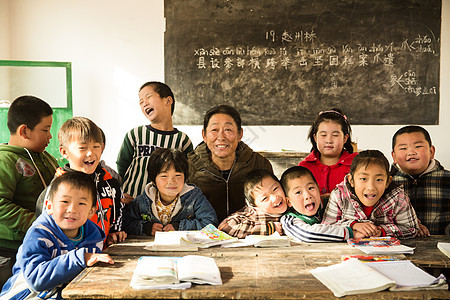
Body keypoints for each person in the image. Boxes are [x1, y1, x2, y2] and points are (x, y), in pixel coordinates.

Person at [0, 171, 114, 299]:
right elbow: (36, 279)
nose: (72, 209)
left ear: (92, 211)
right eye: (65, 201)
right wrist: (80, 258)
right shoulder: (39, 234)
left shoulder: (93, 234)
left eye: (81, 203)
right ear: (49, 206)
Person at [36, 117, 127, 247]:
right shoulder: (57, 188)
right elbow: (44, 228)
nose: (90, 153)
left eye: (96, 146)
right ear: (64, 152)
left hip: (103, 255)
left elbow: (119, 209)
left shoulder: (109, 182)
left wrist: (115, 231)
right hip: (68, 259)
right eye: (82, 148)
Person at [0, 95, 58, 287]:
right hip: (10, 252)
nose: (50, 136)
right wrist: (38, 222)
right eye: (46, 130)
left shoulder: (46, 157)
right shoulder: (5, 161)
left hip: (42, 244)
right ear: (24, 131)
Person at [188, 105, 273, 222]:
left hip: (248, 234)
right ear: (204, 135)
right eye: (214, 130)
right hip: (202, 236)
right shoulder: (190, 166)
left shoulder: (259, 164)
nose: (221, 137)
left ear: (240, 134)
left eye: (228, 130)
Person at [116, 81, 193, 202]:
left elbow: (187, 175)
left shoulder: (183, 140)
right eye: (141, 101)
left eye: (149, 97)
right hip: (131, 202)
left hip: (164, 209)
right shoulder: (135, 134)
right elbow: (122, 166)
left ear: (168, 101)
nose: (144, 103)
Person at [322, 150, 419, 239]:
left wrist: (382, 231)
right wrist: (353, 225)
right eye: (363, 179)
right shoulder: (339, 195)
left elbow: (411, 229)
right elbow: (325, 228)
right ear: (351, 180)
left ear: (387, 182)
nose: (371, 187)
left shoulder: (399, 198)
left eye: (379, 180)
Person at [122, 148, 217, 235]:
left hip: (185, 248)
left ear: (185, 177)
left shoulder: (194, 198)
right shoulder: (142, 201)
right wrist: (146, 227)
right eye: (164, 176)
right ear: (153, 180)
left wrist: (179, 227)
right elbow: (125, 223)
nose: (171, 181)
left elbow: (210, 222)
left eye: (178, 175)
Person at [391, 125, 449, 236]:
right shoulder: (386, 182)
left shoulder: (446, 179)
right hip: (396, 245)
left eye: (418, 146)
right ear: (394, 156)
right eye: (403, 148)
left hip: (440, 247)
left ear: (431, 151)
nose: (411, 152)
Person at [280, 166, 364, 242]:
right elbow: (308, 234)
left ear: (318, 188)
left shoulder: (332, 202)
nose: (308, 196)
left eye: (311, 188)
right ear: (289, 201)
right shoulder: (289, 219)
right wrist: (350, 233)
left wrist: (355, 225)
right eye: (298, 192)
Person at [299, 109, 358, 202]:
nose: (329, 140)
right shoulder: (304, 167)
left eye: (335, 135)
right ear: (315, 138)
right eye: (323, 135)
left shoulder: (357, 165)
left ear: (345, 138)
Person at [218, 169, 287, 238]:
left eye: (275, 189)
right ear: (254, 205)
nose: (274, 198)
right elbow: (225, 227)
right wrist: (269, 228)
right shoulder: (252, 214)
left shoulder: (290, 202)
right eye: (265, 198)